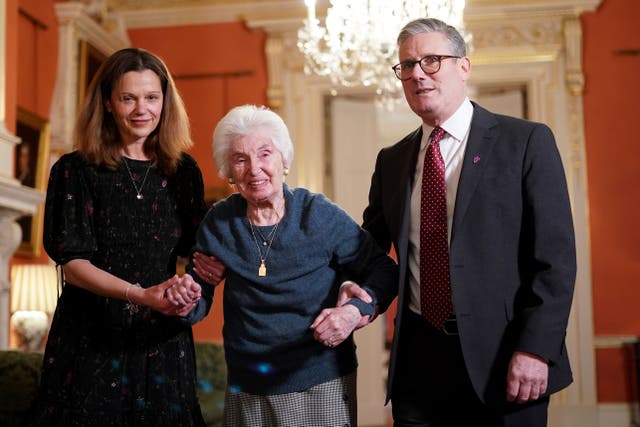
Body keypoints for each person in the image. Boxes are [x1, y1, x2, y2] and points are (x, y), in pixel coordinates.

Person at [343, 17, 576, 426]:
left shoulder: (525, 142)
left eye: (431, 61)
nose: (417, 74)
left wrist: (536, 349)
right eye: (407, 66)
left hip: (505, 360)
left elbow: (554, 260)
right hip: (418, 363)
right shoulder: (392, 160)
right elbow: (370, 249)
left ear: (464, 67)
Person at [26, 47, 220, 426]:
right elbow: (74, 265)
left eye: (152, 97)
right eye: (128, 98)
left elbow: (196, 254)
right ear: (108, 103)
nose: (141, 109)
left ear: (165, 101)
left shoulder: (184, 171)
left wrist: (193, 287)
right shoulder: (74, 170)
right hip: (90, 337)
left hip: (160, 338)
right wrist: (138, 294)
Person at [172, 104, 398, 427]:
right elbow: (198, 298)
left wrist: (354, 312)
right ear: (229, 172)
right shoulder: (220, 222)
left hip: (319, 380)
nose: (254, 169)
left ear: (284, 160)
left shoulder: (317, 214)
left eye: (265, 154)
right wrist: (187, 296)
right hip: (248, 384)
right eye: (240, 159)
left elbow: (383, 269)